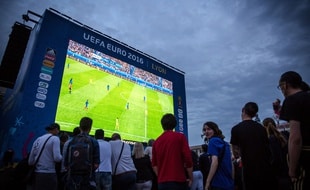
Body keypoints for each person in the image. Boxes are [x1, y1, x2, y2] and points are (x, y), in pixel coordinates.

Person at [230, 102, 277, 190]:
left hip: (249, 170)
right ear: (255, 114)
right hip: (265, 169)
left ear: (243, 110)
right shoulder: (261, 128)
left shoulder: (236, 129)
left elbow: (235, 153)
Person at [278, 71, 310, 190]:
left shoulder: (292, 100)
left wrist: (292, 170)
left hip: (305, 155)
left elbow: (295, 138)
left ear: (285, 85)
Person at [152, 113, 193, 190]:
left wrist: (161, 176)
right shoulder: (180, 137)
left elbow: (154, 165)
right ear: (174, 124)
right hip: (178, 181)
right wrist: (191, 177)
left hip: (163, 183)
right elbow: (188, 159)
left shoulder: (156, 142)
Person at [64, 117, 100, 190]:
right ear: (90, 128)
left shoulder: (71, 141)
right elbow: (96, 164)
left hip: (73, 178)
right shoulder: (93, 142)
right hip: (87, 178)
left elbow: (66, 164)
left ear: (79, 126)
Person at [28, 123, 63, 190]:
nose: (58, 132)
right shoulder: (55, 138)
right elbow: (57, 158)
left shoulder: (38, 139)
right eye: (58, 131)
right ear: (56, 129)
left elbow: (30, 162)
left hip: (36, 175)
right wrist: (63, 157)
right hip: (49, 174)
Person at [203, 121, 234, 190]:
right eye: (204, 130)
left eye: (209, 129)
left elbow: (215, 162)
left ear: (215, 130)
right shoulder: (225, 144)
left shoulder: (213, 141)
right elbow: (231, 163)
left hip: (218, 182)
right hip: (229, 183)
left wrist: (207, 182)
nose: (206, 132)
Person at [262, 117, 291, 190]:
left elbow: (275, 159)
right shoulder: (285, 136)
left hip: (278, 176)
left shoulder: (270, 141)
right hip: (289, 172)